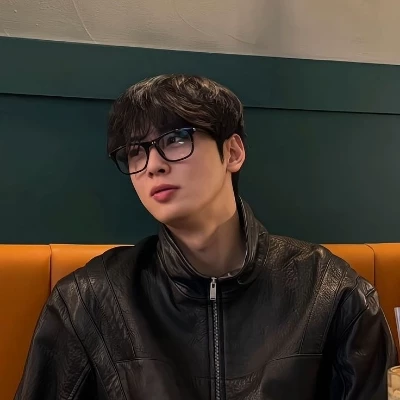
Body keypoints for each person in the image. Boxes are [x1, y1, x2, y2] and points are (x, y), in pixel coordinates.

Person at [15, 74, 397, 400]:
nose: (153, 165)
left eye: (175, 139)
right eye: (134, 151)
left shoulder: (333, 293)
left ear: (232, 152)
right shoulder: (88, 300)